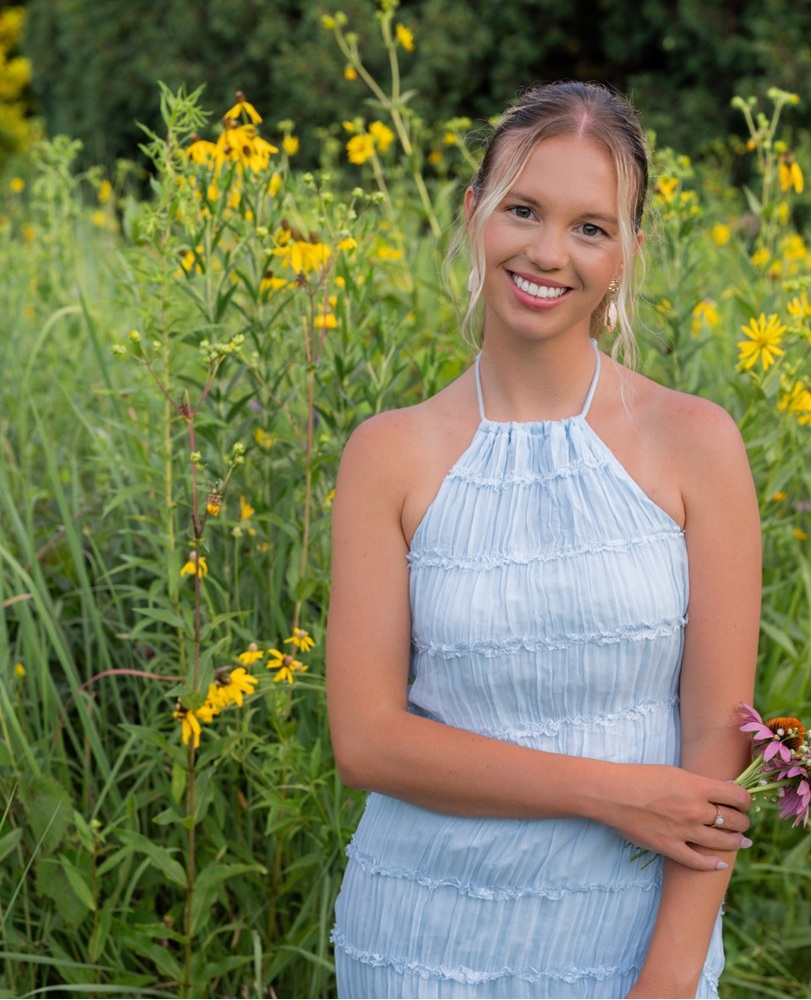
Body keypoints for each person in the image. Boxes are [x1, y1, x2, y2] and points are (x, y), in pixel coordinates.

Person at [326, 80, 761, 999]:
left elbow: (715, 761)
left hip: (631, 945)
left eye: (590, 228)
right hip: (417, 941)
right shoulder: (389, 455)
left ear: (629, 255)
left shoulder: (697, 444)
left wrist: (667, 983)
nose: (547, 252)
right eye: (523, 209)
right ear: (475, 211)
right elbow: (366, 742)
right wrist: (614, 791)